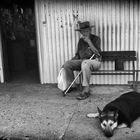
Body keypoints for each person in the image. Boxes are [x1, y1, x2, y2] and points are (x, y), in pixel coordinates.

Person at [62, 21, 102, 100]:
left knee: (85, 63)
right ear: (80, 32)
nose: (84, 33)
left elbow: (98, 54)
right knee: (67, 64)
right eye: (83, 31)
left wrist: (89, 42)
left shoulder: (96, 39)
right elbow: (77, 55)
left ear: (90, 31)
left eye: (86, 31)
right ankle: (72, 85)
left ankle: (86, 90)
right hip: (83, 61)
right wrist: (71, 61)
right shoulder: (80, 41)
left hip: (95, 61)